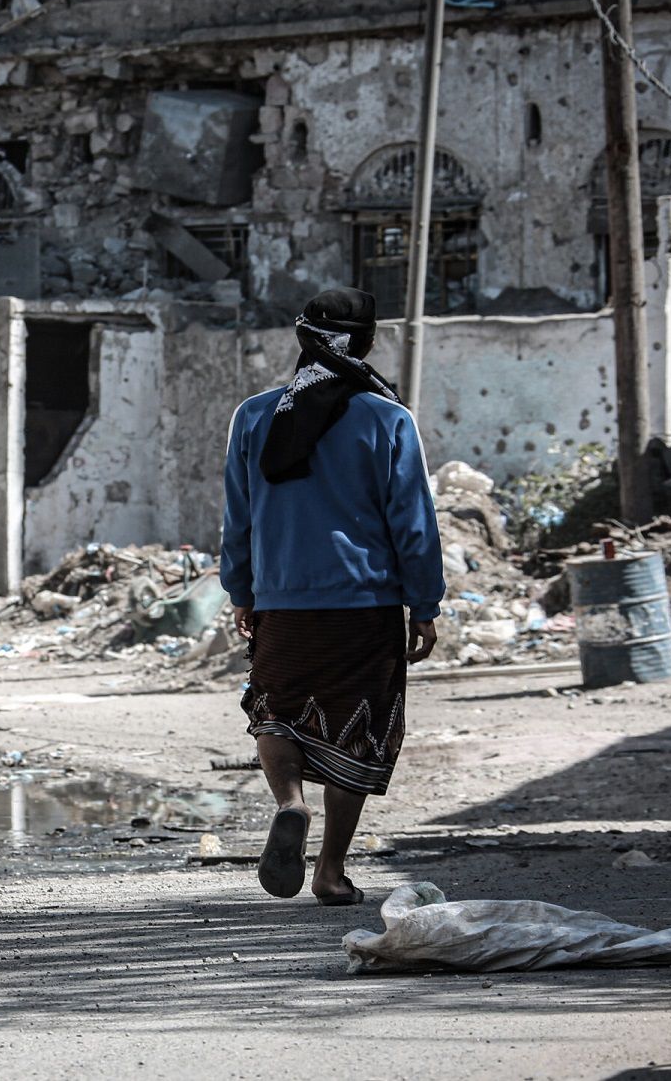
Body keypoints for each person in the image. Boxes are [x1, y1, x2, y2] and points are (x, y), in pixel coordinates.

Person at [218, 287, 444, 906]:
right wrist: (425, 603)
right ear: (367, 343)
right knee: (358, 730)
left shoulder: (254, 416)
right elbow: (414, 522)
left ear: (303, 340)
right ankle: (331, 871)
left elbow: (237, 519)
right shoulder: (388, 419)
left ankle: (290, 804)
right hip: (365, 607)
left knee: (274, 710)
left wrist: (242, 589)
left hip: (282, 601)